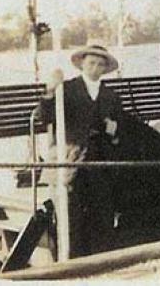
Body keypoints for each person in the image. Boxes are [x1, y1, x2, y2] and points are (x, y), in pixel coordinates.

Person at [33, 45, 127, 257]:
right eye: (91, 63)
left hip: (100, 165)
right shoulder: (66, 89)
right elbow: (43, 115)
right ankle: (69, 265)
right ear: (82, 64)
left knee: (102, 219)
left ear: (105, 69)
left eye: (100, 64)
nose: (95, 68)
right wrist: (49, 91)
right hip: (70, 161)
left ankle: (102, 265)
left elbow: (122, 126)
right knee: (70, 220)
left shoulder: (110, 96)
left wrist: (115, 129)